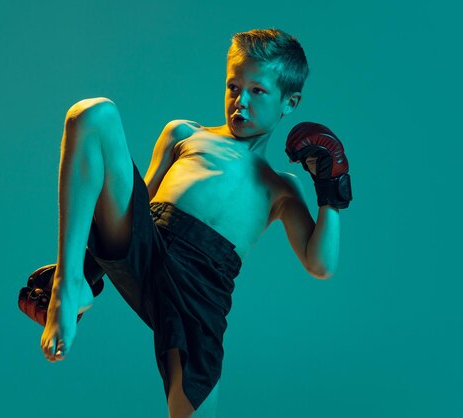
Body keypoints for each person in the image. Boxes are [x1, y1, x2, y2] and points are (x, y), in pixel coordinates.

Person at [35, 28, 351, 418]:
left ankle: (80, 282)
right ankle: (72, 286)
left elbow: (321, 264)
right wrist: (86, 267)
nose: (241, 102)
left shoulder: (281, 187)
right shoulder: (184, 134)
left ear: (290, 102)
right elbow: (131, 204)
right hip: (149, 244)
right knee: (93, 113)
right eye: (233, 87)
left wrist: (330, 191)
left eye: (258, 91)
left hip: (202, 293)